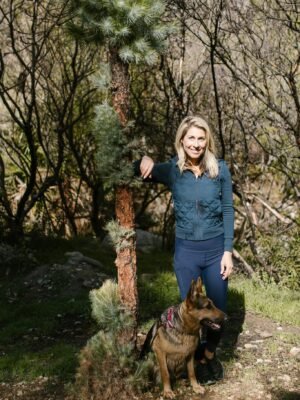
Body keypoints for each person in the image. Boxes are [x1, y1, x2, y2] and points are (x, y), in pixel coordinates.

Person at [135, 115, 234, 384]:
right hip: (186, 253)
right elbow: (134, 170)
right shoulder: (172, 171)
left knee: (219, 312)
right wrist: (143, 160)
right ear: (182, 140)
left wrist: (227, 251)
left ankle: (208, 357)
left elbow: (227, 209)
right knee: (192, 315)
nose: (196, 143)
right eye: (191, 137)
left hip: (215, 251)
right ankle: (193, 360)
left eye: (201, 138)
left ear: (207, 140)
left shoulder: (220, 169)